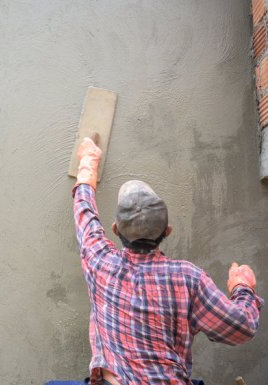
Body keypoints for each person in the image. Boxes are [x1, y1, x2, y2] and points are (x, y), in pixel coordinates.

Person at [71, 136, 263, 385]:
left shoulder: (100, 264)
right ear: (168, 231)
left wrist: (88, 162)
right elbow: (241, 327)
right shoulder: (188, 278)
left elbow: (84, 215)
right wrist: (242, 288)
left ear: (116, 230)